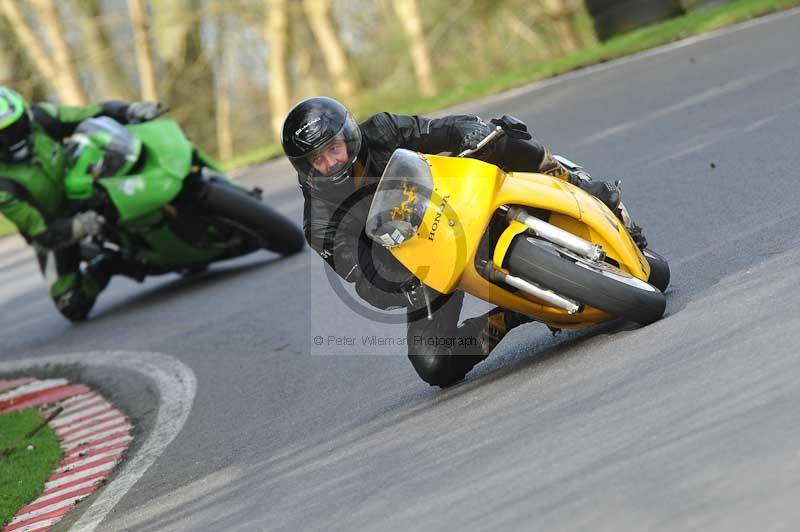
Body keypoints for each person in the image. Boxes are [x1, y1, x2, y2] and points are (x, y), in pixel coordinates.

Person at [282, 96, 646, 387]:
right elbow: (362, 276)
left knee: (503, 135)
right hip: (420, 262)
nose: (331, 162)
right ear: (306, 167)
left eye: (334, 148)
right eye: (318, 159)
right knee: (433, 363)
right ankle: (515, 312)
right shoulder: (320, 221)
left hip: (453, 197)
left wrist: (470, 131)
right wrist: (402, 286)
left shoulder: (381, 130)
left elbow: (437, 130)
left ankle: (588, 189)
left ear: (348, 136)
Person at [0, 87, 163, 321]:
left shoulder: (43, 117)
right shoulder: (2, 186)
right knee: (71, 303)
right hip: (58, 224)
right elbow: (40, 231)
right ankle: (110, 263)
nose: (10, 139)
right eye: (1, 136)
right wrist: (82, 226)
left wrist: (129, 110)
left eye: (14, 128)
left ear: (25, 116)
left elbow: (93, 112)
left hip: (85, 184)